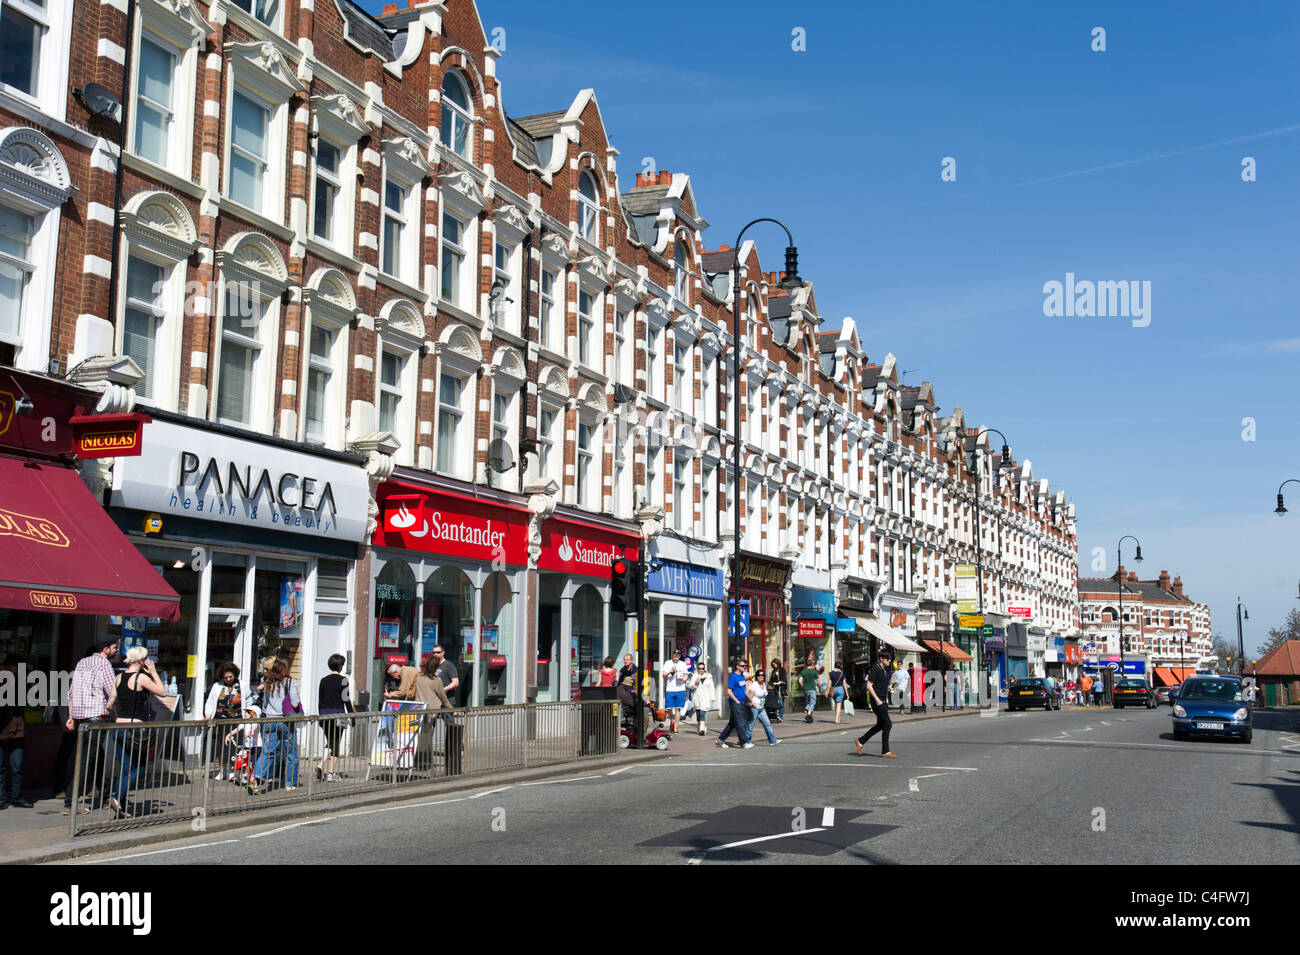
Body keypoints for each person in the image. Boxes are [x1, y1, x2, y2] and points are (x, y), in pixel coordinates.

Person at [108, 647, 169, 818]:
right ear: (141, 660)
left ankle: (119, 804)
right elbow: (163, 692)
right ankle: (115, 796)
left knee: (126, 769)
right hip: (135, 729)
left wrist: (116, 718)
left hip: (118, 727)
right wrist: (154, 672)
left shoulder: (118, 677)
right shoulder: (140, 678)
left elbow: (109, 704)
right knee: (140, 768)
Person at [64, 636, 119, 815]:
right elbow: (112, 692)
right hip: (97, 718)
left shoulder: (82, 662)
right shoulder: (104, 664)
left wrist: (71, 716)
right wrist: (115, 715)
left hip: (81, 719)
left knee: (96, 757)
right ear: (105, 649)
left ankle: (105, 795)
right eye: (114, 647)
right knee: (87, 761)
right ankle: (69, 803)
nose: (117, 650)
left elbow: (71, 692)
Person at [247, 658, 301, 794]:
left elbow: (264, 704)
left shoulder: (268, 682)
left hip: (269, 721)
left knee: (268, 752)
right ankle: (290, 784)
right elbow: (294, 702)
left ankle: (256, 776)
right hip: (285, 721)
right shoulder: (290, 682)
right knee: (291, 753)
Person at [204, 662, 246, 781]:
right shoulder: (217, 686)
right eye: (225, 677)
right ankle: (223, 769)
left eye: (230, 677)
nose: (228, 679)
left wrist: (248, 713)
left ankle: (233, 770)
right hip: (220, 719)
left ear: (235, 675)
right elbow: (211, 701)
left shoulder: (242, 685)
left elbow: (248, 701)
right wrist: (207, 714)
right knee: (220, 746)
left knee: (234, 747)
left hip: (237, 719)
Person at [0, 654, 32, 809]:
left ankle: (16, 797)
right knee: (0, 766)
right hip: (2, 726)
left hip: (17, 727)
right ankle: (1, 799)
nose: (9, 669)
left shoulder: (24, 682)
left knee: (17, 765)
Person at [316, 654, 354, 782]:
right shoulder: (343, 680)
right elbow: (346, 699)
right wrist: (352, 716)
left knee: (330, 741)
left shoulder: (323, 680)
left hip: (325, 715)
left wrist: (321, 716)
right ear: (340, 666)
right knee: (336, 743)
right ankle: (330, 773)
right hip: (338, 715)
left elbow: (320, 700)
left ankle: (321, 765)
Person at [855, 651, 897, 758]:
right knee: (888, 724)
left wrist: (886, 698)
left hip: (883, 700)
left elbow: (884, 685)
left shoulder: (885, 670)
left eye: (890, 659)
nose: (889, 661)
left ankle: (860, 741)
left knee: (881, 725)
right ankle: (885, 751)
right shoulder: (875, 670)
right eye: (887, 659)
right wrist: (878, 700)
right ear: (881, 659)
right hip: (877, 701)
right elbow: (869, 686)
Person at [716, 660, 752, 748]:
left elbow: (743, 690)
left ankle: (720, 739)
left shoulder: (742, 677)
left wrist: (748, 700)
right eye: (743, 666)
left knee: (732, 723)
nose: (744, 668)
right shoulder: (733, 677)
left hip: (742, 702)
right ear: (737, 666)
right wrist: (736, 701)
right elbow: (729, 691)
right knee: (740, 723)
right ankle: (744, 742)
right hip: (736, 703)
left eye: (745, 666)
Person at [748, 669, 781, 746]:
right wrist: (752, 703)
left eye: (762, 675)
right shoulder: (754, 685)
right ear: (756, 676)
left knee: (767, 723)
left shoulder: (764, 684)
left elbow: (765, 695)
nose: (760, 676)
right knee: (750, 725)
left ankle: (772, 740)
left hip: (761, 708)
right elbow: (750, 696)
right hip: (754, 708)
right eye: (759, 675)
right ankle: (746, 741)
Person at [663, 649, 689, 732]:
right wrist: (670, 672)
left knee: (678, 708)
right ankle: (671, 721)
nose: (676, 656)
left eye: (677, 655)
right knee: (669, 708)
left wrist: (683, 679)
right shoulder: (668, 663)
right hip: (670, 689)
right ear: (672, 655)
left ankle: (676, 727)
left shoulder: (683, 664)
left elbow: (686, 675)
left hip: (680, 689)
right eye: (674, 655)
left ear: (679, 656)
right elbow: (663, 675)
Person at [688, 663, 715, 736]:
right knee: (698, 714)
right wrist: (695, 684)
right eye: (699, 668)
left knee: (703, 713)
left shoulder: (709, 677)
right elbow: (690, 686)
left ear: (704, 668)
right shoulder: (695, 676)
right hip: (697, 697)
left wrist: (713, 697)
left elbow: (711, 688)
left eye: (702, 668)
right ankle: (700, 726)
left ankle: (702, 728)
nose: (701, 670)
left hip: (705, 698)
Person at [798, 659, 820, 723]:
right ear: (812, 664)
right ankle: (808, 715)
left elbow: (800, 681)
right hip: (812, 689)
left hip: (806, 689)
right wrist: (820, 687)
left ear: (806, 664)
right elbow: (818, 682)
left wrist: (803, 686)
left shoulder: (803, 671)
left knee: (808, 702)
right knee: (812, 702)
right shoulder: (814, 672)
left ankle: (809, 717)